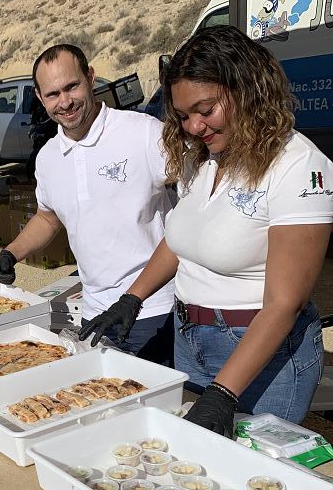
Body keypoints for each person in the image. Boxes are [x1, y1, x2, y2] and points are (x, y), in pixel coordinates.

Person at [81, 25, 333, 433]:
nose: (194, 126)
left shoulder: (299, 166)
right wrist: (131, 299)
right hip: (189, 338)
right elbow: (181, 240)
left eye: (206, 109)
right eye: (182, 116)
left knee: (251, 482)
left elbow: (284, 303)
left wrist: (223, 392)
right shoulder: (203, 159)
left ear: (246, 88)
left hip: (260, 355)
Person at [0, 43, 175, 365]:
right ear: (39, 97)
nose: (64, 102)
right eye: (52, 94)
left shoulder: (143, 133)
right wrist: (12, 252)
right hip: (95, 313)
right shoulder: (48, 157)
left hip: (156, 309)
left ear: (90, 78)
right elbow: (48, 217)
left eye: (71, 86)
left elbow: (197, 198)